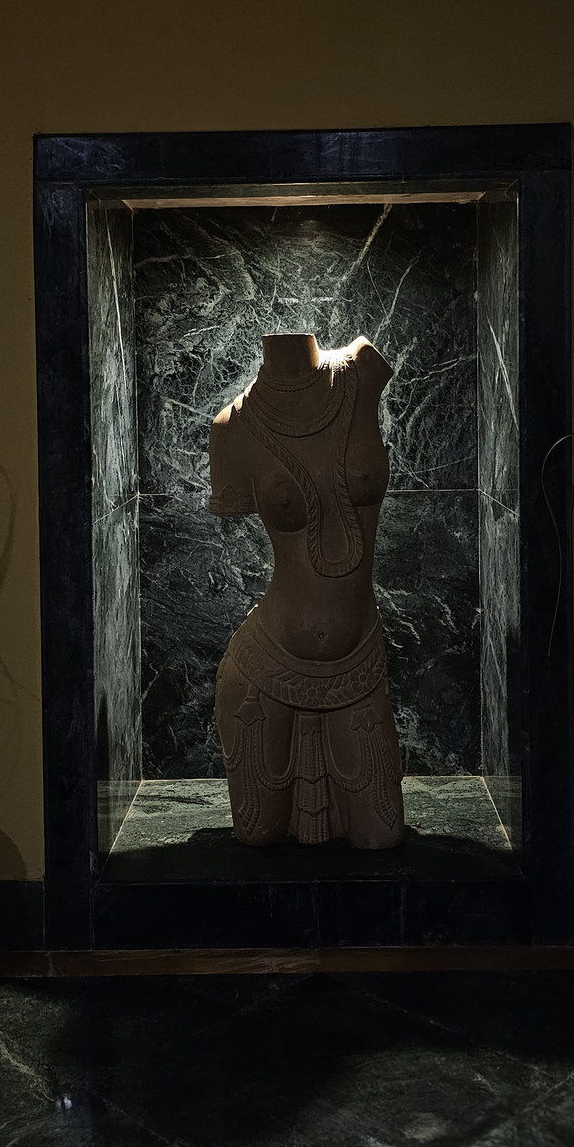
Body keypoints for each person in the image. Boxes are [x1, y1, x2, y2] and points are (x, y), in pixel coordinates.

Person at [209, 332, 405, 848]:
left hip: (357, 666)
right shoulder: (231, 427)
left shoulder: (363, 370)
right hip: (264, 674)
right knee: (256, 841)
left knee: (382, 838)